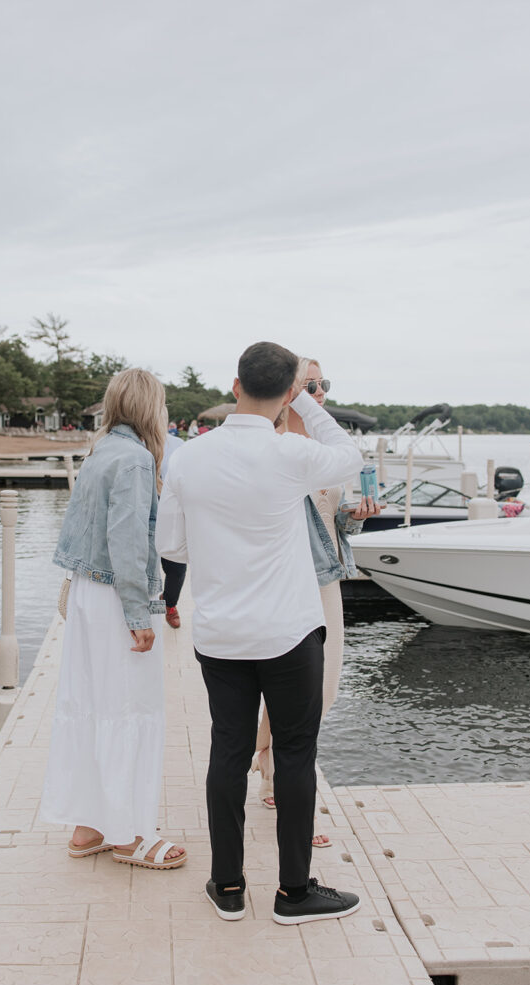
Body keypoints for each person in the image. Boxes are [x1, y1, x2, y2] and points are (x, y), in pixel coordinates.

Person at [156, 341, 363, 924]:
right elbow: (348, 453)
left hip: (221, 634)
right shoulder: (291, 452)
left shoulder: (188, 459)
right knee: (296, 754)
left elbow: (170, 547)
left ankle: (227, 887)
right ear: (287, 394)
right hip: (291, 633)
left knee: (229, 750)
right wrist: (306, 403)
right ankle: (294, 893)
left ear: (234, 384)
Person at [41, 368, 186, 869]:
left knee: (91, 701)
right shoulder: (138, 460)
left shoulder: (101, 450)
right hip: (114, 597)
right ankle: (127, 833)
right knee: (129, 706)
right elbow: (127, 543)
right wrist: (139, 614)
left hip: (87, 592)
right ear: (152, 408)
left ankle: (89, 826)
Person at [253, 356, 381, 843]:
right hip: (285, 581)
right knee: (292, 688)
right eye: (310, 384)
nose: (320, 391)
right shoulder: (278, 447)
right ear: (289, 391)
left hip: (326, 579)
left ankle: (267, 760)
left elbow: (334, 525)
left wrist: (358, 516)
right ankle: (284, 790)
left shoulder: (332, 452)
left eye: (324, 383)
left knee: (322, 689)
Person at [160, 432, 187, 628]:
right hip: (142, 508)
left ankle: (169, 603)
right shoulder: (133, 443)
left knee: (176, 565)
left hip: (172, 510)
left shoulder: (179, 444)